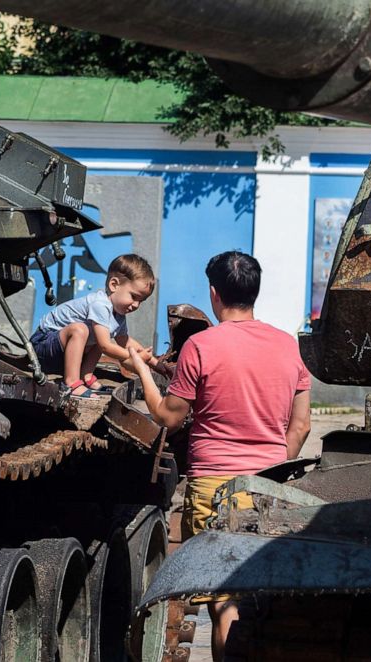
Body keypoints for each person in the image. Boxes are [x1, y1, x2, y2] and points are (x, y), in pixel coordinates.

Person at [127, 250, 312, 662]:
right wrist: (273, 470)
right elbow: (300, 427)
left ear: (214, 294)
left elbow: (168, 418)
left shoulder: (201, 346)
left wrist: (142, 369)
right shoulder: (288, 347)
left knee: (225, 601)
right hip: (270, 488)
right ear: (255, 293)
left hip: (214, 489)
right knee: (257, 600)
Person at [29, 253, 169, 398]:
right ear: (114, 285)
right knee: (82, 330)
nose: (136, 305)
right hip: (42, 346)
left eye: (141, 301)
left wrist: (155, 363)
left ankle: (86, 376)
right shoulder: (100, 304)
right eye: (134, 296)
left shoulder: (119, 315)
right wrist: (135, 356)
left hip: (62, 353)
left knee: (100, 333)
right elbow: (105, 347)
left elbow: (125, 342)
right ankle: (71, 382)